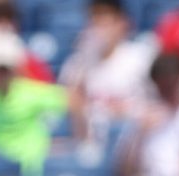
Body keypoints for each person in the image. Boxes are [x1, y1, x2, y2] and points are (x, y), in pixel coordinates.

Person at [0, 30, 68, 176]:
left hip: (30, 167)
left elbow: (72, 101)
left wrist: (83, 143)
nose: (2, 76)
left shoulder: (33, 92)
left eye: (6, 70)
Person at [60, 0, 156, 143]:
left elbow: (156, 104)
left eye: (105, 19)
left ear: (122, 23)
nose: (99, 26)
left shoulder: (141, 56)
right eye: (94, 18)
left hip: (133, 139)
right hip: (93, 141)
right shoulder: (79, 60)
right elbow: (68, 102)